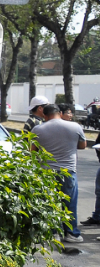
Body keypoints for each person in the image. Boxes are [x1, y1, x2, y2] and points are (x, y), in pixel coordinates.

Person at [32, 104, 87, 243]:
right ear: (60, 113)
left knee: (49, 203)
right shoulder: (75, 126)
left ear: (44, 115)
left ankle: (51, 233)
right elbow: (83, 145)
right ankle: (71, 234)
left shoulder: (38, 129)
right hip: (68, 171)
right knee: (69, 204)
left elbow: (33, 151)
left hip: (46, 172)